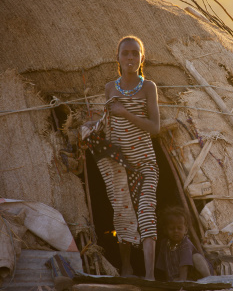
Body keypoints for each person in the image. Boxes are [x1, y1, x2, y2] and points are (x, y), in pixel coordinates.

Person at [82, 36, 160, 280]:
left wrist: (125, 113)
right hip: (120, 166)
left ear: (141, 58)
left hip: (145, 164)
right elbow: (108, 123)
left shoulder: (148, 87)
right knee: (122, 214)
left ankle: (149, 276)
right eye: (125, 53)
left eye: (135, 54)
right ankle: (126, 267)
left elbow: (155, 127)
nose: (130, 58)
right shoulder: (110, 88)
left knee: (147, 213)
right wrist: (91, 127)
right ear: (117, 57)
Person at [156, 207, 213, 281]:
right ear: (165, 230)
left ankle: (209, 280)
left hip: (194, 274)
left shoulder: (185, 243)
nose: (176, 231)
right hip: (178, 277)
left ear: (185, 230)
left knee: (196, 257)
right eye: (171, 228)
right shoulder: (164, 244)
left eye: (179, 228)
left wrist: (182, 282)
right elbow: (163, 266)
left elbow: (184, 265)